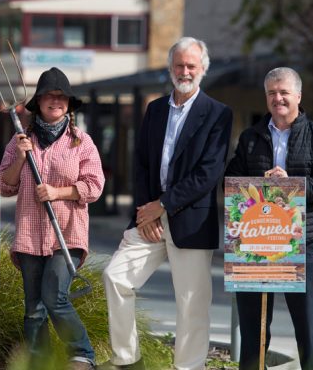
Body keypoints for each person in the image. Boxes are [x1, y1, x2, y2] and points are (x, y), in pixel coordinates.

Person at [100, 37, 233, 370]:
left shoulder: (218, 114)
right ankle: (128, 361)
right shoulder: (155, 109)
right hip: (150, 219)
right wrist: (147, 210)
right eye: (179, 65)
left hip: (190, 221)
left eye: (191, 66)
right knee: (115, 277)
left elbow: (209, 173)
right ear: (170, 68)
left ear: (203, 69)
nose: (185, 71)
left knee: (192, 304)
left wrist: (164, 204)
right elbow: (141, 162)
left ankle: (187, 367)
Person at [225, 67, 313, 370]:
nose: (277, 98)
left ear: (298, 96)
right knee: (253, 330)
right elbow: (232, 179)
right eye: (271, 93)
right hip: (254, 244)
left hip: (302, 244)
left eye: (283, 92)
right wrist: (260, 186)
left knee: (309, 328)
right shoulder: (251, 137)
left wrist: (292, 184)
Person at [0, 67, 105, 370]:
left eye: (61, 97)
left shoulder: (81, 142)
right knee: (33, 309)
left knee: (54, 297)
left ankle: (82, 354)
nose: (55, 101)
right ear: (39, 102)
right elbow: (4, 185)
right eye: (49, 96)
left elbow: (94, 186)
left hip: (66, 234)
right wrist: (19, 158)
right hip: (30, 236)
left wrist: (58, 192)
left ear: (69, 104)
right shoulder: (21, 140)